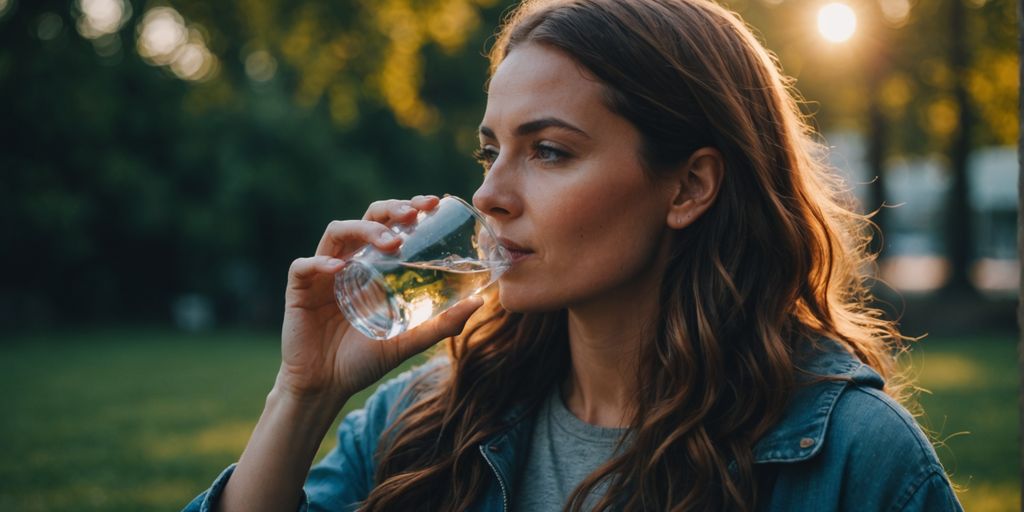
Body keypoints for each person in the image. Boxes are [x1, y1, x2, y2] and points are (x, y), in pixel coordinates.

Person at [184, 0, 963, 510]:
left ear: (689, 186)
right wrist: (304, 397)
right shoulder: (421, 418)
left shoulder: (854, 462)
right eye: (491, 151)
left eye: (549, 151)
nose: (489, 195)